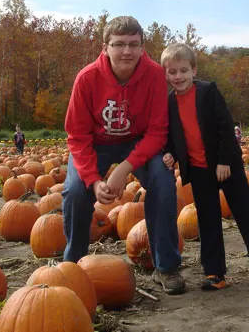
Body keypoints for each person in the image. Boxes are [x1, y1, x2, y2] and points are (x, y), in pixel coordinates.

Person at [62, 16, 183, 294]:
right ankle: (73, 265)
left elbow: (157, 131)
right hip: (96, 143)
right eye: (119, 44)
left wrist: (124, 168)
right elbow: (77, 137)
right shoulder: (87, 78)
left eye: (133, 44)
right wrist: (93, 180)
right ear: (105, 47)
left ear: (142, 47)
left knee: (164, 183)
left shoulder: (153, 75)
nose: (126, 51)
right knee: (74, 191)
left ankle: (165, 265)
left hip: (139, 142)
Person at [161, 43, 249, 290]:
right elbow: (170, 135)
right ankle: (215, 272)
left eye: (183, 71)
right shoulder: (169, 102)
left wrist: (224, 160)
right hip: (198, 169)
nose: (178, 77)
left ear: (194, 70)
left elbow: (225, 125)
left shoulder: (207, 91)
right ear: (166, 73)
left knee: (245, 212)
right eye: (172, 72)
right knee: (207, 219)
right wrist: (169, 153)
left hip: (226, 165)